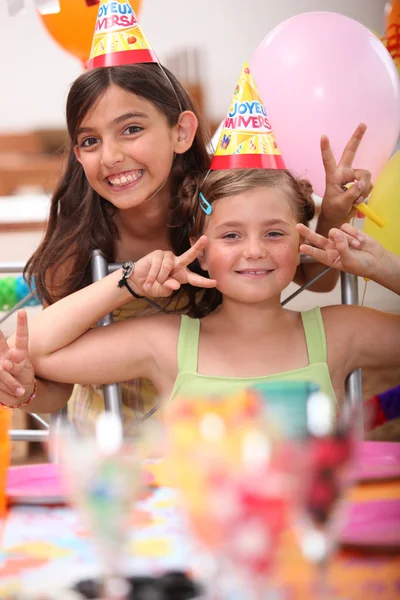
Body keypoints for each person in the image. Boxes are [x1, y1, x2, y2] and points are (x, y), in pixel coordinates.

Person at [0, 65, 371, 419]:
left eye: (130, 129)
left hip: (206, 432)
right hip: (112, 443)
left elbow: (314, 279)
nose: (111, 156)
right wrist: (23, 390)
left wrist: (334, 215)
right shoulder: (78, 241)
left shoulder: (220, 207)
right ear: (78, 154)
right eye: (91, 140)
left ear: (181, 132)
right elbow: (55, 387)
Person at [2, 168, 398, 415]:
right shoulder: (166, 342)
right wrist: (127, 282)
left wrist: (381, 266)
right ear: (201, 252)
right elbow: (39, 348)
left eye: (275, 233)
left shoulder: (340, 333)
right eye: (231, 235)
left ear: (301, 244)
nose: (255, 250)